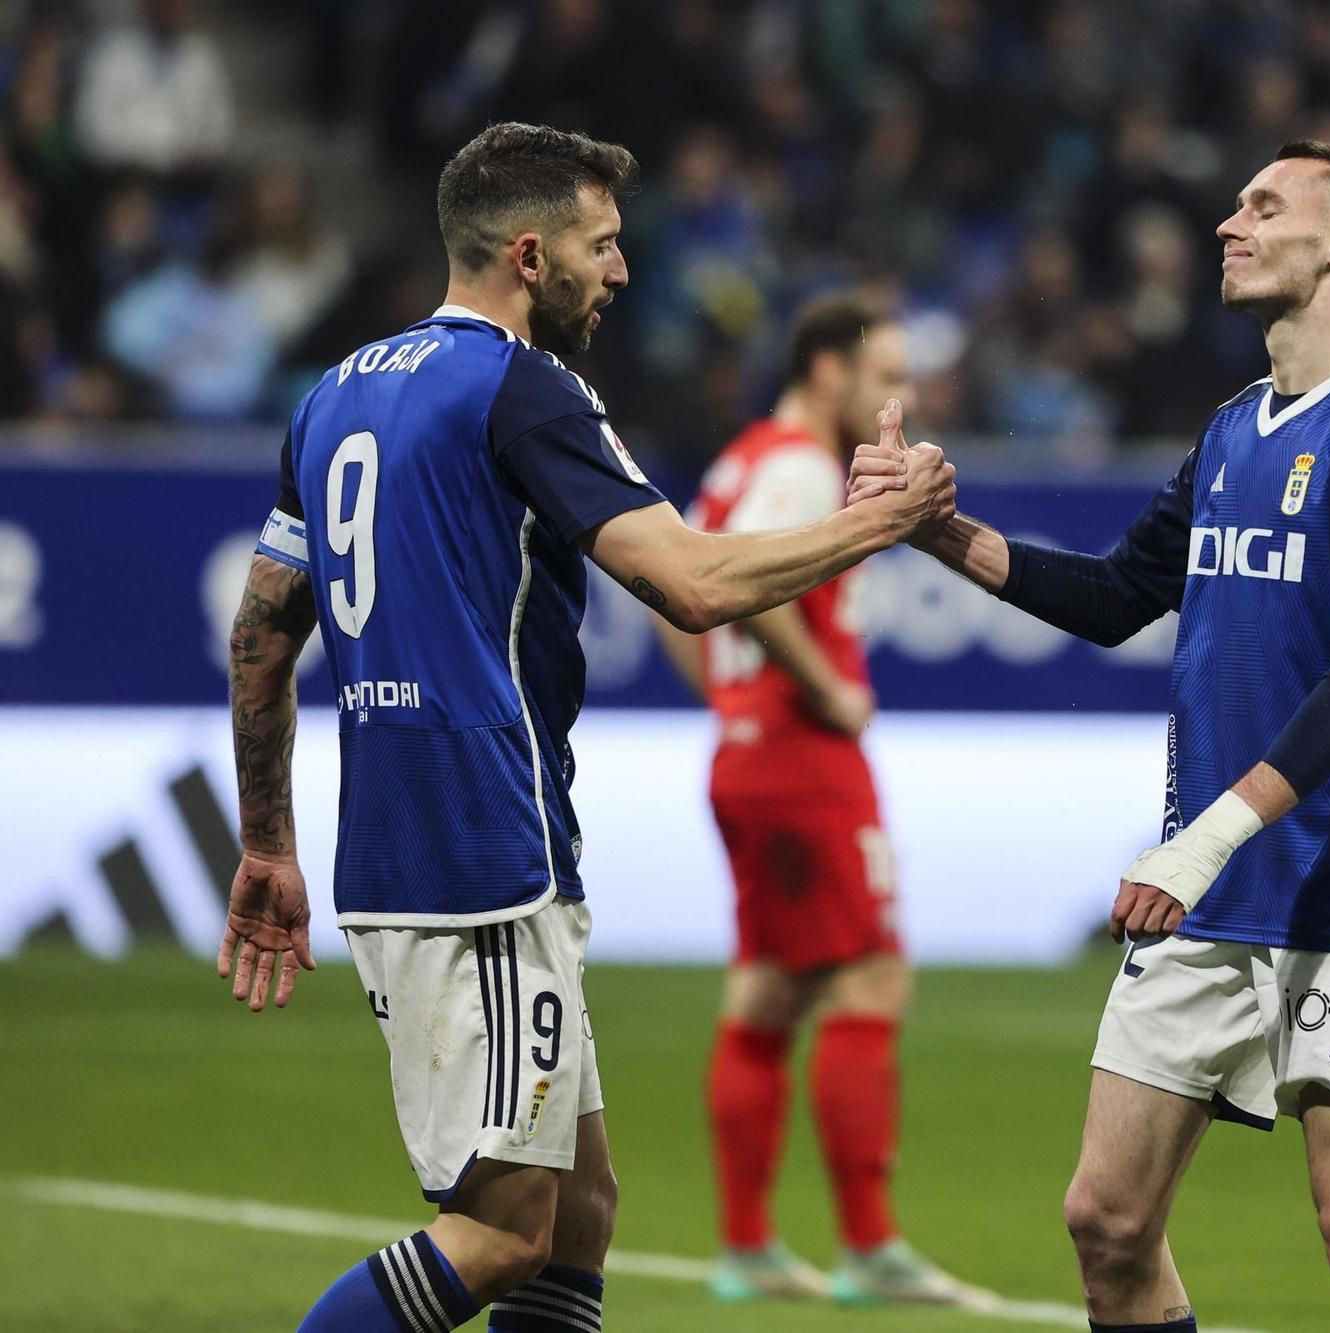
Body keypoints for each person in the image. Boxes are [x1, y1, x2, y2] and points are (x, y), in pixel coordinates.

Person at [215, 122, 953, 1333]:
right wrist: (886, 519)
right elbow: (695, 583)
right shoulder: (524, 386)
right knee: (503, 1230)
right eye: (600, 245)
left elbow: (259, 641)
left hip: (411, 841)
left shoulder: (334, 392)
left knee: (581, 1207)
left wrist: (268, 843)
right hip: (479, 849)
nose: (619, 271)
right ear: (526, 252)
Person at [853, 140, 1330, 1332]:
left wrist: (1197, 843)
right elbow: (1116, 593)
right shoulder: (1233, 426)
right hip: (1204, 885)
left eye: (1261, 206)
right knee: (1107, 1217)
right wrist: (934, 531)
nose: (1227, 225)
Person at [655, 292, 992, 1307]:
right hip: (802, 760)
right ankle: (868, 1244)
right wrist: (822, 688)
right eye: (884, 376)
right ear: (825, 373)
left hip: (747, 752)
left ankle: (748, 1245)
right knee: (871, 977)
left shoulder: (743, 456)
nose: (901, 397)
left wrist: (727, 700)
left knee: (765, 987)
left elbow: (682, 591)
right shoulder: (801, 465)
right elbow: (749, 608)